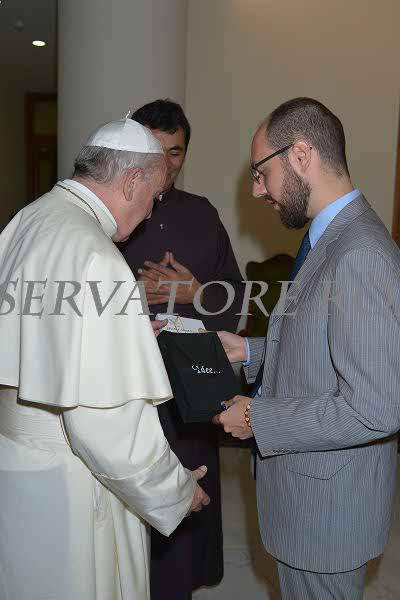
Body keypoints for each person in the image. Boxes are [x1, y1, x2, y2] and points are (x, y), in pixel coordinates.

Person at [0, 117, 210, 600]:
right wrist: (176, 490)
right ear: (132, 181)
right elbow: (107, 427)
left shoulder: (29, 218)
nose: (150, 211)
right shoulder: (97, 257)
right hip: (69, 483)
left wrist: (125, 334)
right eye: (153, 196)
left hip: (15, 460)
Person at [214, 97, 400, 600]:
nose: (256, 190)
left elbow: (375, 409)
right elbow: (324, 344)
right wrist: (250, 351)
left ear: (300, 155)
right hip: (309, 500)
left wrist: (256, 418)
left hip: (327, 514)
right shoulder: (329, 238)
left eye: (261, 172)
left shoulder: (359, 253)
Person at [120, 99, 245, 599]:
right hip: (128, 387)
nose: (165, 163)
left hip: (191, 389)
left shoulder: (201, 213)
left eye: (175, 152)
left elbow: (235, 297)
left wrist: (195, 292)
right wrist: (132, 293)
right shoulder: (111, 212)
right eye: (154, 150)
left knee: (188, 499)